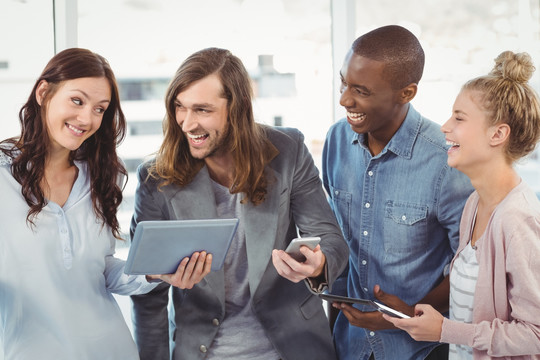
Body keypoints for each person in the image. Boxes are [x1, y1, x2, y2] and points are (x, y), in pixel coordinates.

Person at [129, 47, 349, 360]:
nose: (187, 123)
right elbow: (148, 293)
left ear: (237, 108)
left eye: (202, 110)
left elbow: (331, 239)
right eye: (180, 107)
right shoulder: (155, 179)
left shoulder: (288, 151)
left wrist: (319, 264)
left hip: (292, 348)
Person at [0, 48, 194, 360]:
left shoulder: (101, 177)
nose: (87, 118)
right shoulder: (3, 178)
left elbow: (100, 270)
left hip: (112, 350)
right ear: (43, 92)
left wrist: (155, 273)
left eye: (100, 109)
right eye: (77, 101)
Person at [321, 25, 474, 359]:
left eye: (360, 90)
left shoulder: (447, 161)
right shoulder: (336, 141)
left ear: (406, 93)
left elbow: (471, 269)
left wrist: (406, 315)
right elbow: (339, 240)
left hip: (420, 350)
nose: (345, 99)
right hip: (349, 343)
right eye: (344, 82)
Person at [384, 51, 540, 359]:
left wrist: (444, 330)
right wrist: (414, 314)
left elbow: (535, 334)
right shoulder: (474, 203)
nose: (444, 127)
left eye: (459, 118)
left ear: (498, 134)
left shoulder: (517, 219)